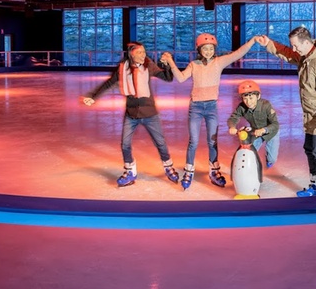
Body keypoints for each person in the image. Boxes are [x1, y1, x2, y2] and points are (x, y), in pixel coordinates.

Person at [160, 33, 258, 189]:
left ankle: (214, 170)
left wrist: (252, 41)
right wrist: (171, 61)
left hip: (211, 107)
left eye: (211, 48)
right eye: (205, 49)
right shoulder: (194, 64)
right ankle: (189, 170)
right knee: (193, 141)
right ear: (199, 49)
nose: (208, 51)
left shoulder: (219, 62)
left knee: (212, 141)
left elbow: (238, 53)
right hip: (196, 108)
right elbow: (180, 78)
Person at [255, 27, 316, 196]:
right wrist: (269, 44)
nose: (294, 49)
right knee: (310, 149)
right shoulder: (306, 57)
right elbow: (287, 53)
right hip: (310, 115)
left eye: (296, 45)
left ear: (307, 42)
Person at [82, 41, 180, 187]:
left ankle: (168, 167)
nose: (143, 55)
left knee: (160, 143)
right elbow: (109, 83)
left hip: (149, 113)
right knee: (125, 144)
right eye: (139, 52)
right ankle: (130, 171)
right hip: (131, 114)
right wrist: (93, 96)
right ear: (131, 54)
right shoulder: (123, 68)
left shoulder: (149, 65)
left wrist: (166, 64)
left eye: (144, 52)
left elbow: (168, 78)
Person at [227, 79, 280, 168]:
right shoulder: (242, 107)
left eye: (251, 98)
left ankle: (269, 159)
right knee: (248, 151)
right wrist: (232, 127)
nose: (248, 102)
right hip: (255, 132)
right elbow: (233, 118)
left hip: (271, 133)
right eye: (245, 98)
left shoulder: (266, 105)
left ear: (258, 96)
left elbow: (275, 124)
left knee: (272, 159)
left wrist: (264, 130)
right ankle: (249, 167)